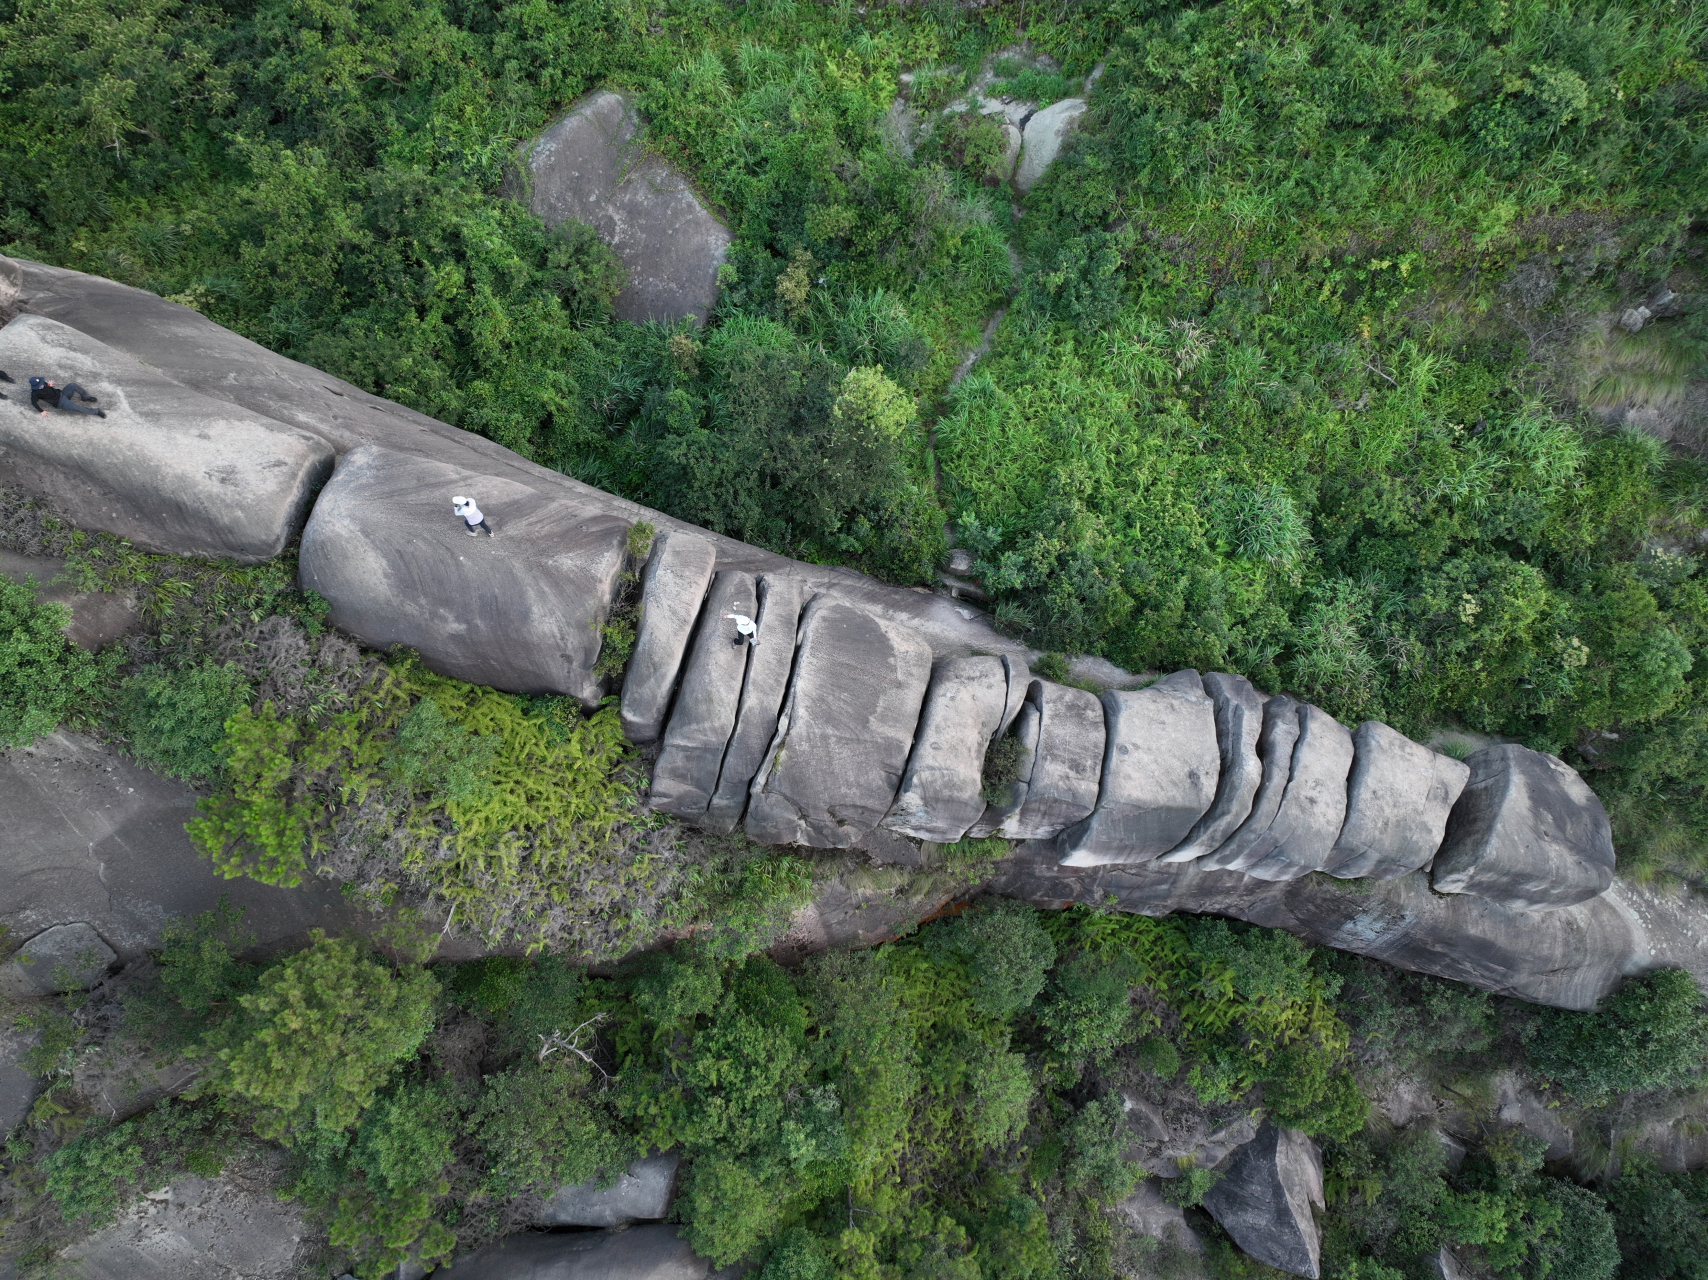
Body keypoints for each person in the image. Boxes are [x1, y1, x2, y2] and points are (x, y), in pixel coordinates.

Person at [28, 377, 104, 418]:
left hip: (62, 394)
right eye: (40, 385)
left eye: (41, 383)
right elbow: (33, 402)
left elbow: (45, 384)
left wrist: (48, 385)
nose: (42, 384)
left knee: (72, 385)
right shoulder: (35, 393)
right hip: (60, 403)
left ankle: (85, 397)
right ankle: (96, 411)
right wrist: (42, 411)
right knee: (76, 407)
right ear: (36, 387)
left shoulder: (42, 383)